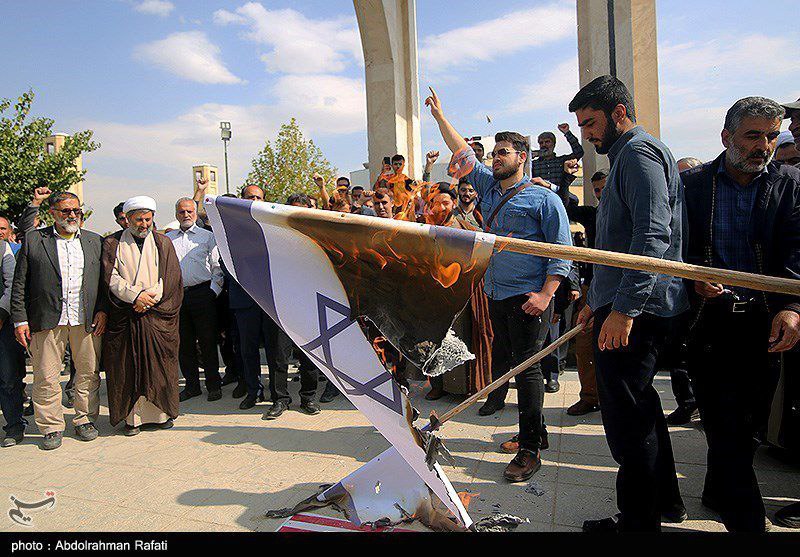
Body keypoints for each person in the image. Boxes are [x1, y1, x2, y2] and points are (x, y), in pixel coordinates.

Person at [426, 87, 573, 483]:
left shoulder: (545, 200)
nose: (495, 159)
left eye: (503, 153)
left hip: (529, 299)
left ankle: (529, 450)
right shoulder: (489, 188)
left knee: (527, 370)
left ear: (522, 157)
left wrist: (546, 295)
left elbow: (562, 252)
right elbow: (461, 152)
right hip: (496, 294)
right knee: (508, 361)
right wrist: (440, 117)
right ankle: (537, 433)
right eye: (493, 154)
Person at [570, 76, 688, 532]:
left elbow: (652, 236)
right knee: (643, 409)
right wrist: (597, 302)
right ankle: (665, 503)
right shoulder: (626, 157)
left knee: (628, 421)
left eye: (591, 123)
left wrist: (622, 310)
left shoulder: (639, 154)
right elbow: (616, 243)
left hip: (636, 310)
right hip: (619, 302)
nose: (586, 134)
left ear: (619, 112)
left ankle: (638, 523)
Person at [682, 97, 800, 532]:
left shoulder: (790, 184)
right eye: (753, 136)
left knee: (747, 423)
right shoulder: (693, 185)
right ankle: (747, 520)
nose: (763, 146)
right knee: (723, 421)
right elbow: (675, 247)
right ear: (726, 137)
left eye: (771, 136)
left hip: (765, 324)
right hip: (709, 324)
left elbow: (798, 249)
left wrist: (792, 307)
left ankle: (717, 491)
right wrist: (694, 278)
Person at [11, 192, 107, 450]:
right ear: (52, 213)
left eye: (76, 210)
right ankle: (51, 426)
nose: (72, 215)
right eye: (66, 211)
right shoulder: (34, 240)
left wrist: (102, 310)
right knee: (46, 375)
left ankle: (85, 419)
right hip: (46, 319)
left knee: (88, 373)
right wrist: (20, 320)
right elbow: (20, 283)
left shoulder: (94, 241)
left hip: (85, 319)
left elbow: (103, 282)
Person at [102, 196, 182, 436]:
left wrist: (149, 299)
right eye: (139, 220)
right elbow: (110, 277)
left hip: (156, 314)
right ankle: (133, 420)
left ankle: (160, 415)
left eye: (148, 219)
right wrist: (135, 296)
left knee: (160, 367)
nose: (144, 224)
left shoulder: (163, 242)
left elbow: (170, 277)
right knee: (129, 368)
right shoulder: (112, 243)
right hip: (127, 314)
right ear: (127, 220)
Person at [166, 198, 224, 403]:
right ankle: (192, 386)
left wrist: (213, 292)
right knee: (185, 343)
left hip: (203, 294)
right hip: (178, 297)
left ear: (196, 213)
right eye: (182, 212)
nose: (186, 215)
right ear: (176, 214)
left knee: (208, 342)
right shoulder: (168, 239)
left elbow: (217, 267)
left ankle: (214, 385)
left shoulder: (207, 236)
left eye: (190, 211)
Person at [0, 239, 26, 446]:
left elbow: (12, 285)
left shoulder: (3, 249)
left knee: (8, 378)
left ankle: (14, 425)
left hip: (2, 324)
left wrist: (1, 313)